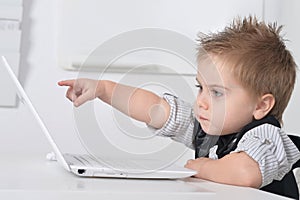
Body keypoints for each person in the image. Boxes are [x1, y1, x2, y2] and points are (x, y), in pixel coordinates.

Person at [58, 16, 300, 199]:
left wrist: (202, 166)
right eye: (200, 88)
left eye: (216, 92)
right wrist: (104, 89)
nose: (202, 101)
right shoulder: (212, 128)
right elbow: (156, 109)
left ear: (261, 105)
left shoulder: (267, 137)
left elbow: (245, 173)